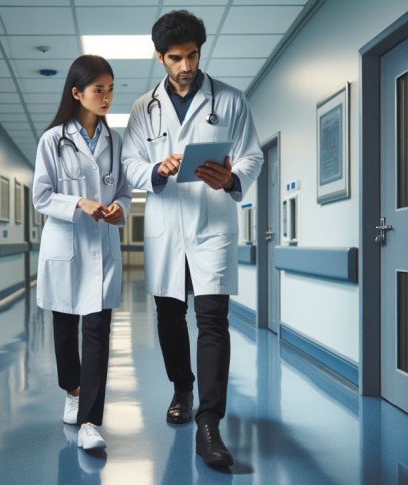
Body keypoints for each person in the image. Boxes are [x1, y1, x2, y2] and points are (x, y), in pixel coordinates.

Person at [121, 10, 264, 467]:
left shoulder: (231, 100)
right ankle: (181, 387)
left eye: (193, 56)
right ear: (160, 57)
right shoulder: (145, 108)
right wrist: (155, 170)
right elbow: (130, 163)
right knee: (169, 315)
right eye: (177, 58)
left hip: (212, 225)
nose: (186, 66)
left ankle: (209, 423)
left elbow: (252, 156)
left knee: (212, 319)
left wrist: (230, 177)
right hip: (167, 224)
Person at [32, 55, 131, 451]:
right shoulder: (53, 140)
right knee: (64, 332)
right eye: (98, 90)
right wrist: (78, 204)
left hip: (102, 249)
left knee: (97, 333)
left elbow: (123, 189)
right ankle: (72, 390)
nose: (106, 97)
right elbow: (41, 195)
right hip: (66, 247)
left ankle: (90, 419)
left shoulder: (115, 140)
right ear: (77, 93)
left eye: (110, 89)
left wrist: (120, 206)